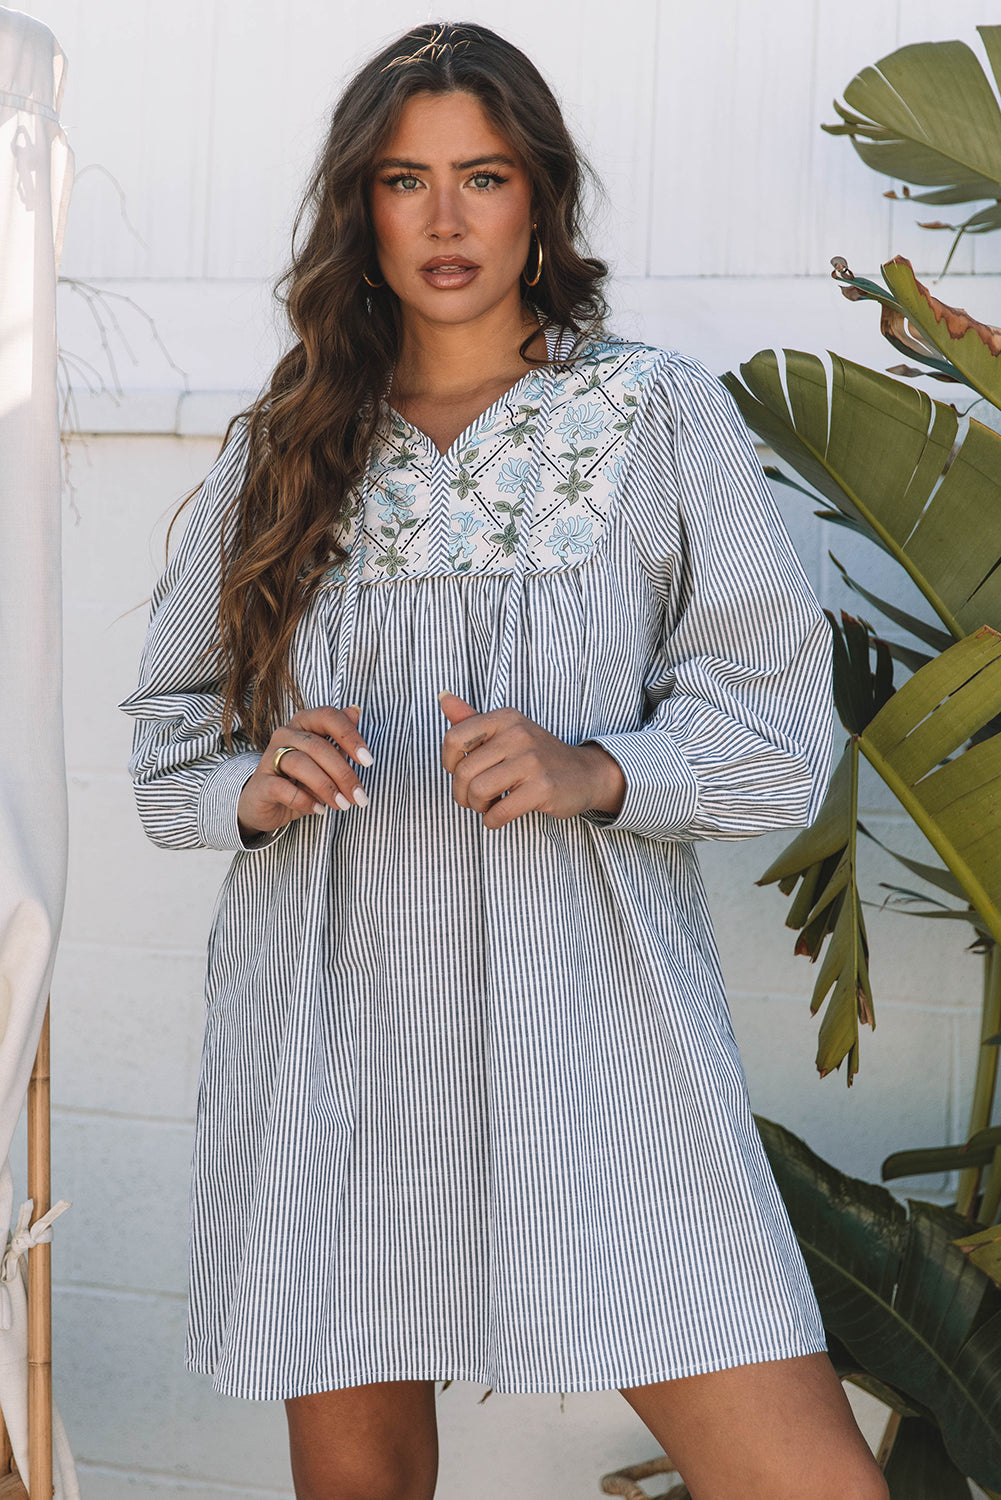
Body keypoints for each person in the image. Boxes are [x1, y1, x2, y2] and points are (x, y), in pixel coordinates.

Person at [120, 21, 890, 1500]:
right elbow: (169, 745)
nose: (446, 219)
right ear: (360, 207)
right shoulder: (286, 444)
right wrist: (251, 788)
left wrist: (594, 769)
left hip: (593, 1026)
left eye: (482, 176)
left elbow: (781, 733)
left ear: (540, 198)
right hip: (335, 1029)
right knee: (360, 1479)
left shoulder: (652, 414)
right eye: (404, 181)